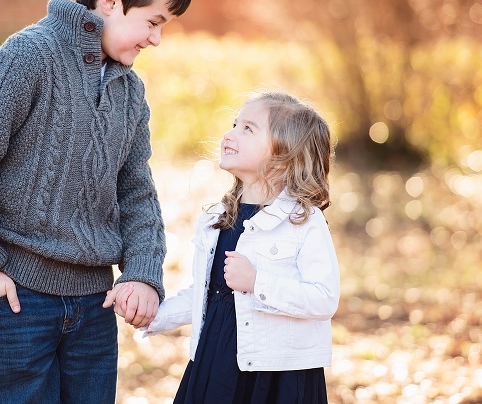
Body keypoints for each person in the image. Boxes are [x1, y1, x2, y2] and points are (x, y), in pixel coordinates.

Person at [0, 0, 192, 404]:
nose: (156, 39)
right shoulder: (29, 57)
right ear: (112, 0)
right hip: (17, 300)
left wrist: (141, 271)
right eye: (153, 21)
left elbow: (136, 191)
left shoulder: (130, 93)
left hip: (95, 307)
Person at [143, 92, 340, 403]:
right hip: (215, 363)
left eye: (248, 128)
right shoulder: (216, 221)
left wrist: (257, 282)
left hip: (279, 375)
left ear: (283, 156)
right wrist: (152, 316)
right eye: (234, 124)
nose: (229, 134)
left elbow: (324, 299)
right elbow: (203, 294)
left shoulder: (304, 221)